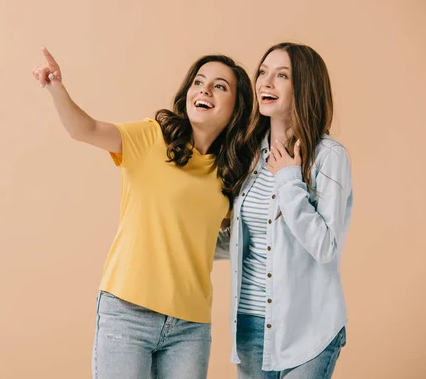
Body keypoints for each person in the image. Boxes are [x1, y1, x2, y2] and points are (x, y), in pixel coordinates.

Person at [32, 47, 253, 379]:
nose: (204, 90)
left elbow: (219, 240)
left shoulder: (229, 172)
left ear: (237, 108)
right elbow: (85, 129)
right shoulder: (152, 137)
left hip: (190, 327)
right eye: (199, 81)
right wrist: (56, 89)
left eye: (220, 86)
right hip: (127, 313)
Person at [216, 42, 353, 378]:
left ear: (304, 87)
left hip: (310, 329)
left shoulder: (328, 156)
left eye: (281, 75)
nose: (266, 82)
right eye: (263, 72)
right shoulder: (248, 156)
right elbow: (239, 242)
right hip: (249, 325)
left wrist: (289, 179)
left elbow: (325, 247)